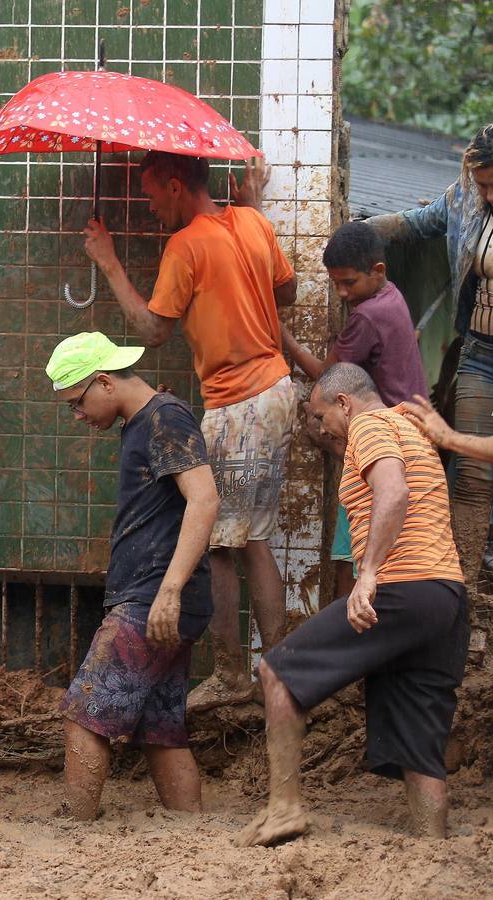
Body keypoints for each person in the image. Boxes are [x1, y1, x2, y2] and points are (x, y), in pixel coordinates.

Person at [83, 150, 297, 710]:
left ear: (177, 186)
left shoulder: (184, 246)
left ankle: (235, 676)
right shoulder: (251, 220)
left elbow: (154, 330)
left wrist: (107, 262)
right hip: (277, 391)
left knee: (223, 545)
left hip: (240, 399)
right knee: (250, 538)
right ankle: (284, 671)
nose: (150, 207)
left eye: (153, 194)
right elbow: (289, 293)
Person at [238, 363, 469, 847]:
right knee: (419, 739)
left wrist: (367, 575)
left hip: (403, 587)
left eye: (322, 417)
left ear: (345, 402)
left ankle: (284, 808)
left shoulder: (370, 423)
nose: (321, 429)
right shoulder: (406, 425)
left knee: (279, 672)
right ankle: (432, 844)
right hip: (444, 596)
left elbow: (394, 491)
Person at [45, 333, 219, 819]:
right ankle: (192, 834)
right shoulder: (146, 422)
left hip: (154, 597)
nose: (77, 415)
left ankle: (72, 830)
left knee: (85, 715)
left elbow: (204, 499)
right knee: (160, 731)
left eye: (77, 403)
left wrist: (168, 591)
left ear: (103, 381)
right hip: (161, 597)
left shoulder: (164, 417)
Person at [368, 124, 493, 589]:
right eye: (482, 183)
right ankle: (465, 588)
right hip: (480, 350)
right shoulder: (464, 198)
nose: (487, 193)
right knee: (474, 478)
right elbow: (413, 224)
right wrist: (350, 230)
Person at [281, 221, 428, 603]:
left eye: (349, 283)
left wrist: (284, 338)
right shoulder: (391, 295)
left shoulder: (366, 317)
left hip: (385, 434)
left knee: (352, 552)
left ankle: (345, 634)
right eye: (336, 284)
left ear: (377, 271)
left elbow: (327, 378)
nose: (342, 293)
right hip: (411, 431)